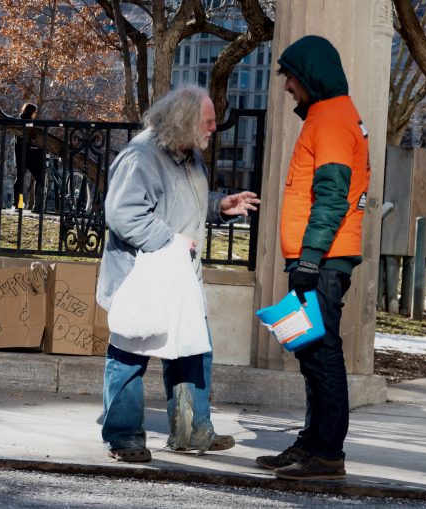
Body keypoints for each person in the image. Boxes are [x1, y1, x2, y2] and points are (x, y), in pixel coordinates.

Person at [96, 85, 260, 463]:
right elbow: (123, 215)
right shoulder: (140, 156)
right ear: (185, 121)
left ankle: (191, 430)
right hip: (141, 278)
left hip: (181, 278)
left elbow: (183, 205)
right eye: (208, 121)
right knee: (129, 356)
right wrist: (171, 241)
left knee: (193, 352)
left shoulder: (189, 156)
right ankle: (123, 437)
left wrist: (220, 205)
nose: (214, 128)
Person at [254, 35, 370, 481]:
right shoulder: (326, 116)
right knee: (311, 354)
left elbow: (332, 196)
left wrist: (309, 258)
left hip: (321, 261)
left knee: (321, 355)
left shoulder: (333, 120)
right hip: (318, 258)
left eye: (290, 76)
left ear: (310, 75)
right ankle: (312, 443)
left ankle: (327, 454)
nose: (286, 86)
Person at [13, 103, 45, 211]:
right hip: (29, 154)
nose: (35, 114)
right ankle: (37, 205)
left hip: (21, 154)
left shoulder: (20, 121)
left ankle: (18, 203)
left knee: (20, 179)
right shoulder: (27, 123)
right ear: (31, 112)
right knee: (39, 177)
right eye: (35, 112)